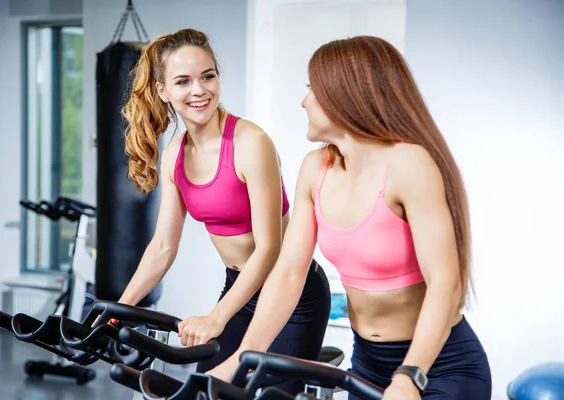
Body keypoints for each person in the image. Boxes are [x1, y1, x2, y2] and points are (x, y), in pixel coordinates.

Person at [207, 35, 492, 399]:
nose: (303, 100)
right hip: (368, 366)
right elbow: (290, 273)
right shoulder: (316, 169)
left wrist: (410, 374)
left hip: (439, 368)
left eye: (312, 87)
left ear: (345, 94)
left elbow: (445, 283)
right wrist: (242, 359)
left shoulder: (408, 165)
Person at [115, 28, 331, 395]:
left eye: (208, 76)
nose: (199, 90)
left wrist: (217, 318)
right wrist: (120, 308)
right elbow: (164, 246)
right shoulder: (174, 156)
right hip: (239, 289)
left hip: (291, 292)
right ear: (162, 91)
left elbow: (269, 249)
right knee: (206, 392)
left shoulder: (250, 143)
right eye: (183, 81)